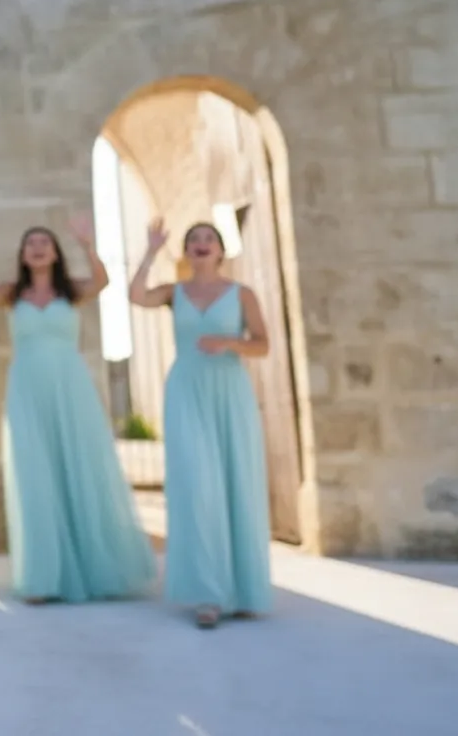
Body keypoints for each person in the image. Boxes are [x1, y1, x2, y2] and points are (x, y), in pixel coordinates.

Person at [0, 216, 155, 605]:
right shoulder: (12, 294)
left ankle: (97, 571)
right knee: (35, 473)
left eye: (44, 242)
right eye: (30, 242)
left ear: (55, 252)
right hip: (27, 391)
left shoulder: (71, 291)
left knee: (81, 468)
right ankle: (44, 576)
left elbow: (101, 282)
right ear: (22, 254)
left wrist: (88, 244)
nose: (37, 247)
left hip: (71, 389)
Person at [129, 219, 274, 629]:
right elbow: (136, 296)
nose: (201, 244)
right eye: (193, 239)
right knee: (198, 485)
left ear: (221, 250)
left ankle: (244, 590)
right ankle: (209, 595)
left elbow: (262, 344)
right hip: (186, 391)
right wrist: (151, 250)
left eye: (208, 239)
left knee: (236, 485)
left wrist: (228, 342)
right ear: (187, 252)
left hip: (230, 392)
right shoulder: (175, 294)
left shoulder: (242, 294)